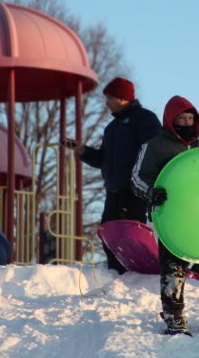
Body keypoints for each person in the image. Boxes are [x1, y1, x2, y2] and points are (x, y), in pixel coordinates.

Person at [131, 95, 199, 336]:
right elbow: (137, 177)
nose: (187, 122)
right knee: (173, 269)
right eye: (182, 117)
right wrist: (151, 192)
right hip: (172, 219)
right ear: (171, 119)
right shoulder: (155, 146)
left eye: (191, 118)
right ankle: (174, 317)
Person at [62, 77, 161, 274]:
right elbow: (102, 159)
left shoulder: (145, 119)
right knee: (108, 234)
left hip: (136, 190)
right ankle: (116, 275)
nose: (106, 102)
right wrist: (82, 150)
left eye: (110, 98)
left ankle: (140, 276)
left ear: (123, 98)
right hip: (113, 190)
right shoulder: (111, 128)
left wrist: (144, 178)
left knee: (134, 234)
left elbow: (153, 149)